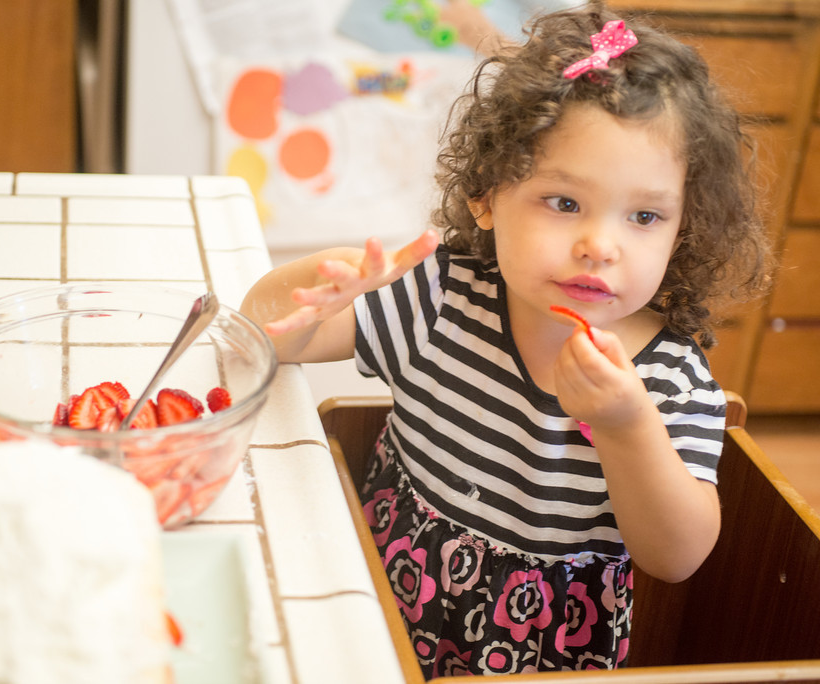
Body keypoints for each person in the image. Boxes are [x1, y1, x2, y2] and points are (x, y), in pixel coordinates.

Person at [240, 2, 772, 677]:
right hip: (376, 616)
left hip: (537, 661)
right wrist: (316, 284)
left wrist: (624, 425)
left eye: (644, 215)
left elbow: (676, 557)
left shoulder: (670, 381)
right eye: (564, 202)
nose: (600, 246)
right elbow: (266, 338)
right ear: (487, 196)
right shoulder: (441, 297)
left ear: (682, 227)